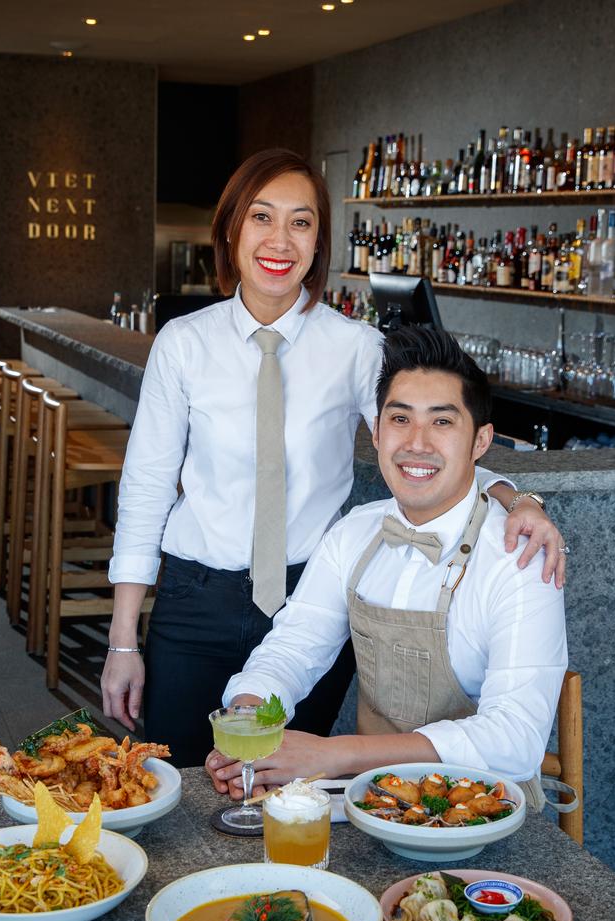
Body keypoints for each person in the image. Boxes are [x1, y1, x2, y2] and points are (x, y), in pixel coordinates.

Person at [102, 148, 566, 768]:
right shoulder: (183, 344)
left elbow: (427, 434)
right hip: (195, 596)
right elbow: (146, 487)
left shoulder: (357, 348)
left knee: (287, 784)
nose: (280, 240)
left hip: (310, 590)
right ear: (232, 229)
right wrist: (122, 638)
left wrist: (516, 498)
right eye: (261, 217)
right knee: (182, 777)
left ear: (320, 242)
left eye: (301, 222)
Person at [207, 326, 567, 805]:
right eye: (400, 419)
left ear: (480, 441)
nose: (416, 443)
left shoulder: (518, 555)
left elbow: (513, 738)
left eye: (442, 423)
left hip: (486, 819)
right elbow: (295, 644)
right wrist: (249, 720)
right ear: (376, 432)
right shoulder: (355, 533)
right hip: (370, 805)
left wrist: (332, 755)